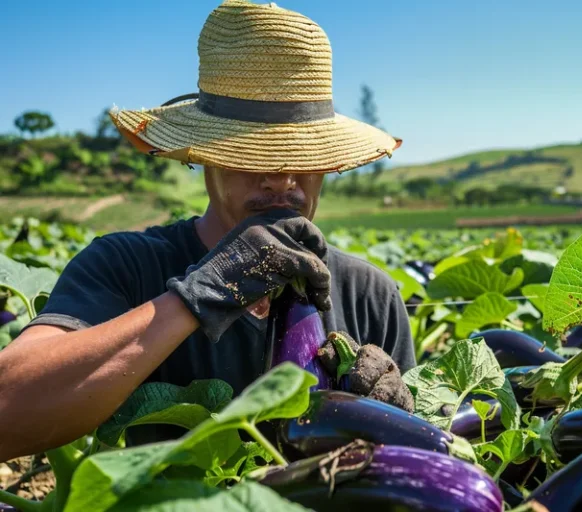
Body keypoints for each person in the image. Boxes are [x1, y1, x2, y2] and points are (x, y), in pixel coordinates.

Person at [0, 0, 415, 463]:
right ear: (203, 156)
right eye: (248, 151)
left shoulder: (369, 294)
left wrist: (398, 423)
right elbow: (7, 412)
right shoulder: (127, 265)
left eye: (301, 153)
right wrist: (199, 295)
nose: (280, 178)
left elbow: (418, 470)